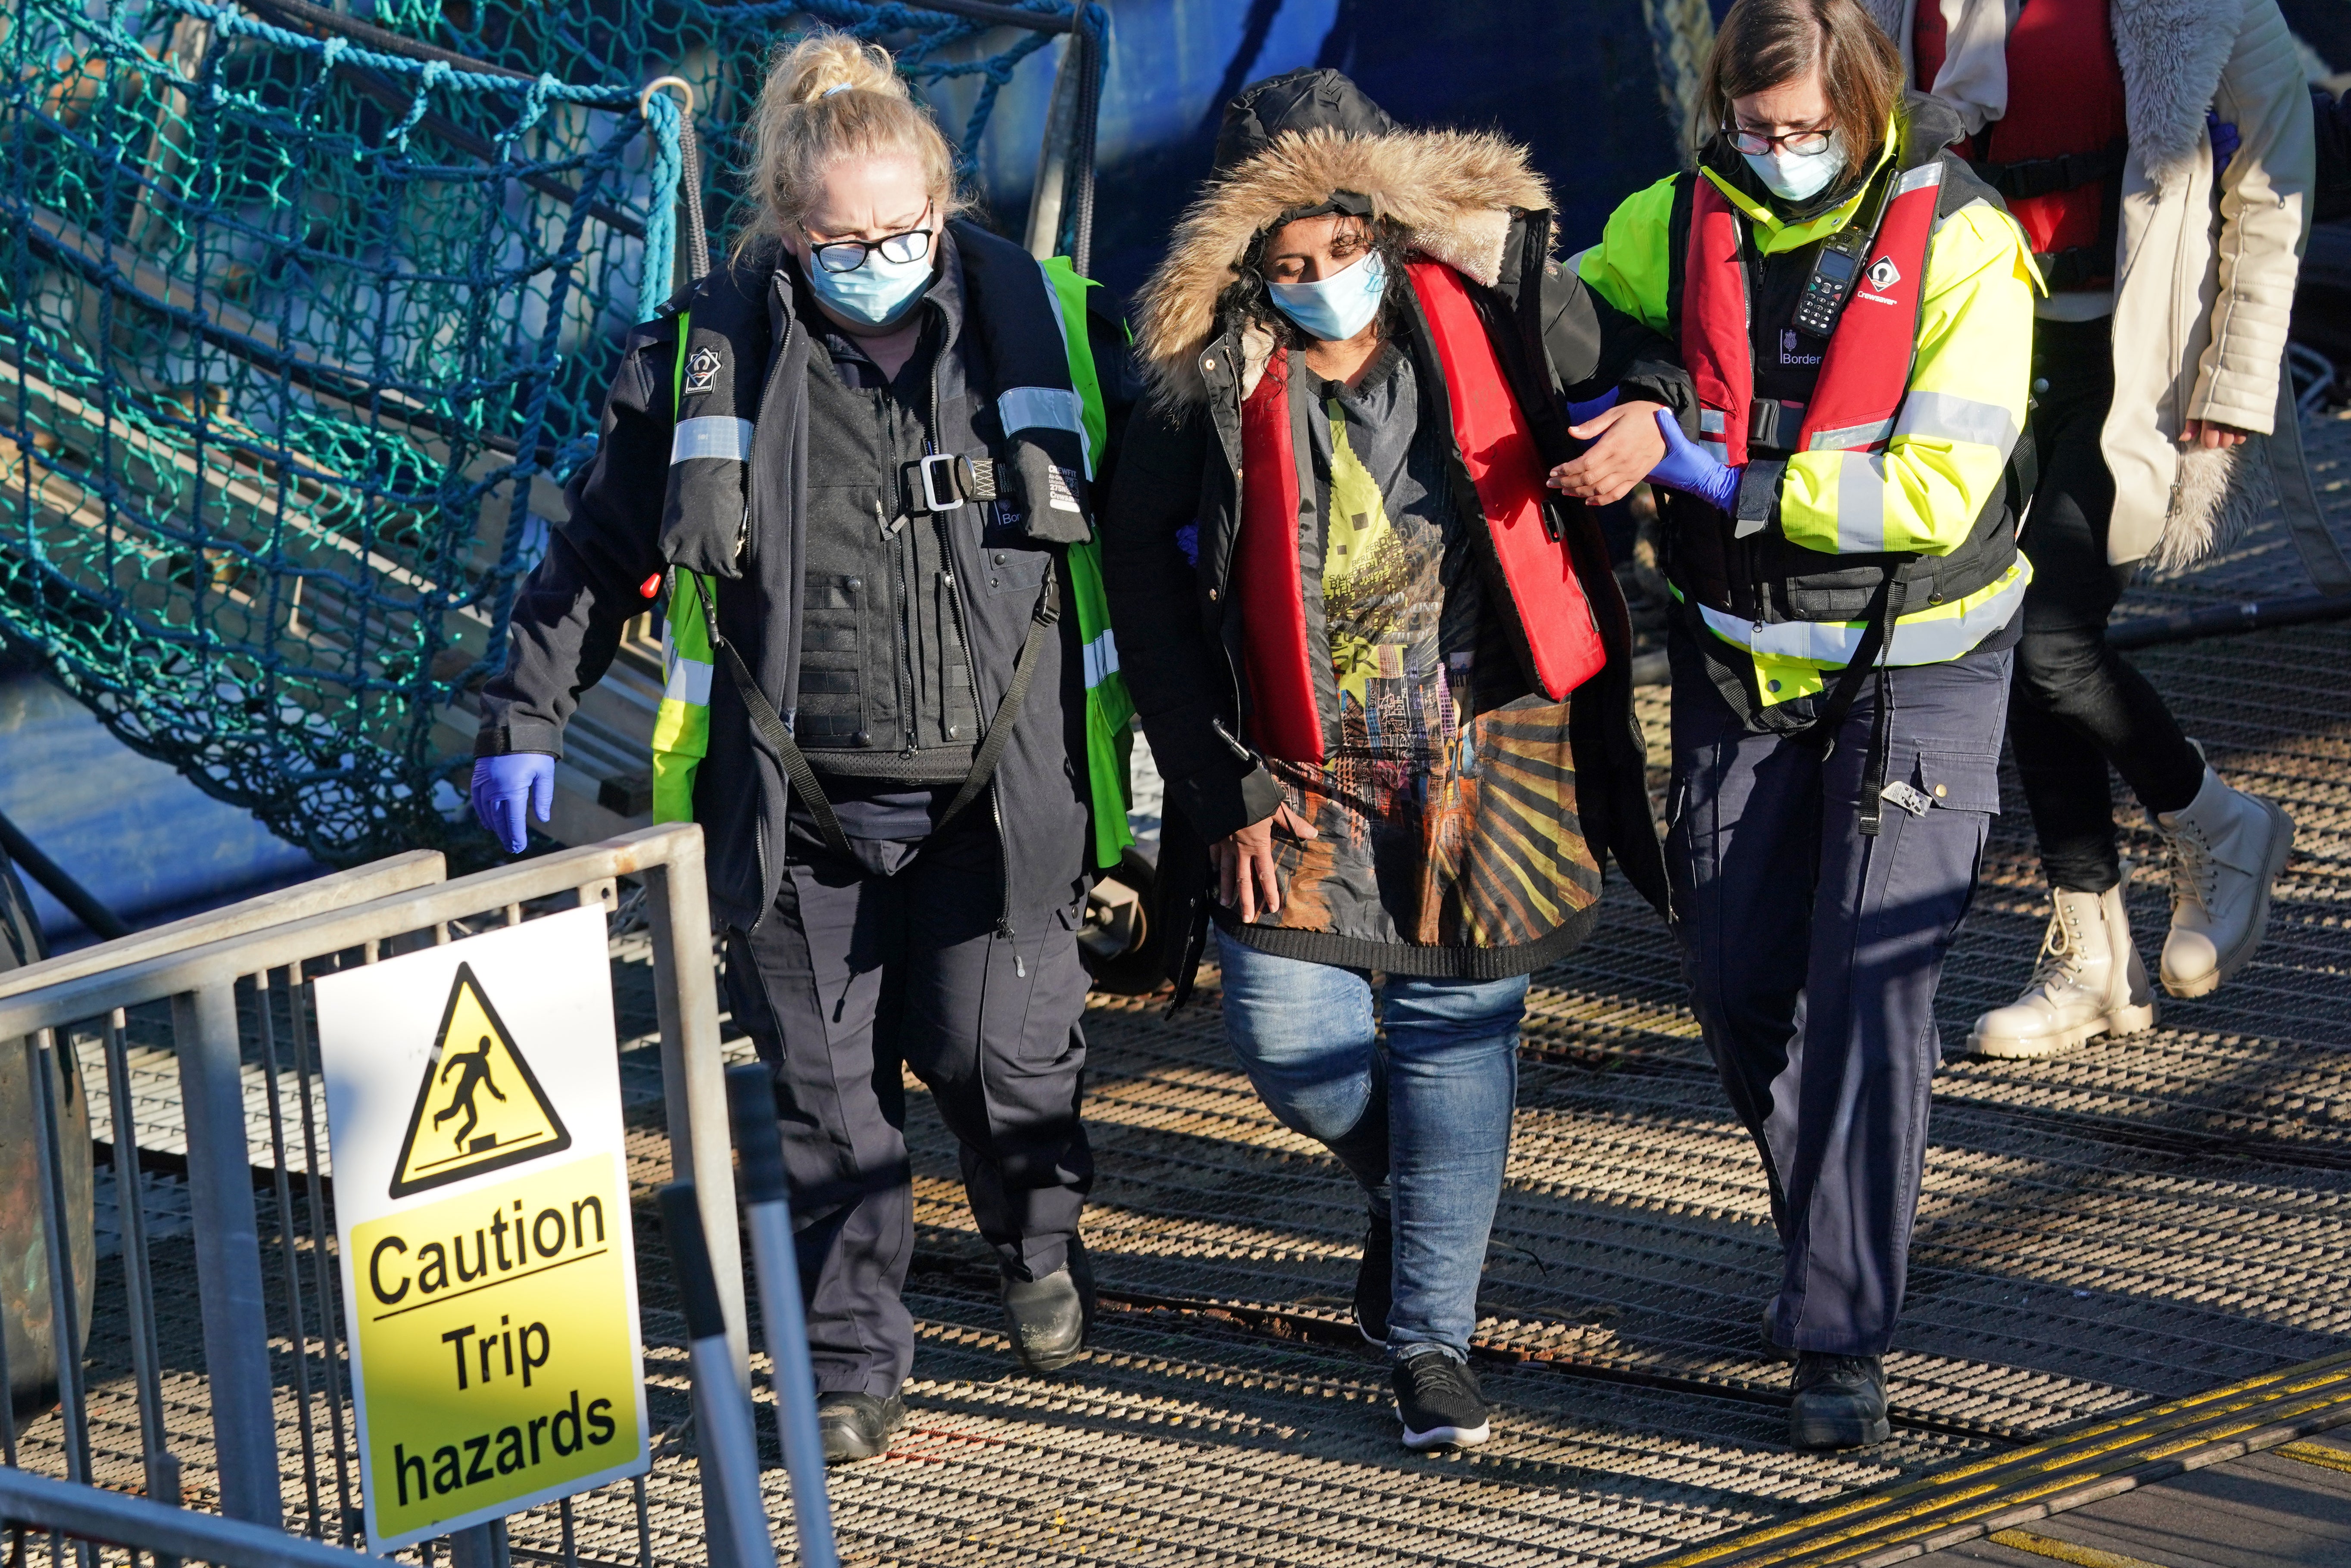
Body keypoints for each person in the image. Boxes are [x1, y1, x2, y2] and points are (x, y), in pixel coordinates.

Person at [467, 32, 1137, 1463]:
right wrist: (522, 714)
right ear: (788, 230)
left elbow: (1160, 517)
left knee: (992, 1062)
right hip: (794, 806)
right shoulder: (703, 362)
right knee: (830, 1113)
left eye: (905, 232)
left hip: (995, 796)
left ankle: (1035, 1242)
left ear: (945, 202)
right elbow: (596, 553)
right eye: (844, 241)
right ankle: (848, 1371)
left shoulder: (1053, 326)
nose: (879, 261)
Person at [1105, 68, 1681, 1453]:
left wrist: (1650, 414)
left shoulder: (1485, 300)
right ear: (1245, 263)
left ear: (1392, 220)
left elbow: (1648, 353)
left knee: (1452, 1035)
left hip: (1489, 737)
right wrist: (1214, 778)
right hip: (1291, 766)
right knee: (1289, 1046)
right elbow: (1134, 557)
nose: (1327, 281)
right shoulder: (1209, 375)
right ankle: (1410, 1197)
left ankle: (1432, 1341)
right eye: (1291, 262)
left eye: (1349, 248)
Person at [1577, 0, 2037, 1447]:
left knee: (1866, 997)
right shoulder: (1668, 217)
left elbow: (1932, 496)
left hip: (1918, 661)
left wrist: (1708, 473)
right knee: (1728, 982)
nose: (1775, 155)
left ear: (1866, 105)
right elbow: (1573, 325)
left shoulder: (1963, 243)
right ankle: (1841, 1222)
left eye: (1805, 132)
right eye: (1752, 131)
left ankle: (1837, 1330)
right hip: (1735, 669)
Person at [1856, 0, 2312, 1058]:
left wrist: (2234, 379)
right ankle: (2092, 953)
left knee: (2049, 627)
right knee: (2004, 631)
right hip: (1975, 356)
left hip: (2138, 366)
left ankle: (2213, 820)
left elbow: (2273, 180)